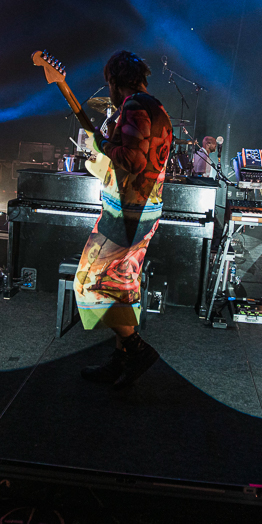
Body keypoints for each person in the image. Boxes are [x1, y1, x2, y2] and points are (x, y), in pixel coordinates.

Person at [74, 51, 173, 389]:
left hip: (127, 214)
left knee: (89, 284)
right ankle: (121, 362)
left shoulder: (132, 108)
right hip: (148, 210)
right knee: (122, 287)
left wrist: (100, 142)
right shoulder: (159, 109)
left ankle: (137, 349)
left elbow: (129, 159)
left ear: (115, 83)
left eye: (109, 86)